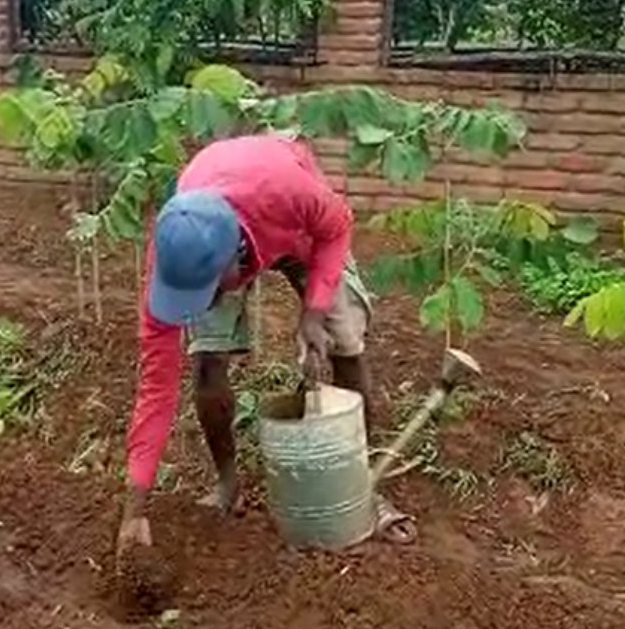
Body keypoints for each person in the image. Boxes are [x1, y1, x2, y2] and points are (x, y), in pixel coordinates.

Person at [115, 133, 416, 557]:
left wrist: (313, 313)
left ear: (233, 262)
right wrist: (135, 510)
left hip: (295, 228)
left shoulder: (286, 192)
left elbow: (336, 225)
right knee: (206, 360)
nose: (193, 305)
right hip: (223, 215)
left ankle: (364, 490)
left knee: (345, 341)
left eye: (204, 292)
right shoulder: (176, 256)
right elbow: (155, 392)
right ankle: (227, 484)